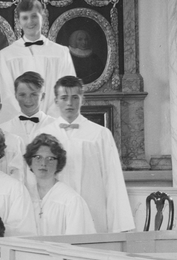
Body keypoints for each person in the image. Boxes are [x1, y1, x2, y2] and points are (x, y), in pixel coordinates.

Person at [48, 76, 135, 233]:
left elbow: (113, 180)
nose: (69, 103)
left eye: (75, 97)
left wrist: (119, 225)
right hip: (56, 212)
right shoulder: (45, 134)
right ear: (55, 101)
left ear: (83, 100)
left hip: (92, 210)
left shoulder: (100, 134)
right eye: (64, 97)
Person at [0, 0, 75, 116]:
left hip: (52, 122)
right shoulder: (6, 55)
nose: (30, 22)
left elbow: (67, 89)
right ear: (18, 21)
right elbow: (6, 93)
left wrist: (47, 120)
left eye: (34, 16)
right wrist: (23, 116)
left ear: (43, 16)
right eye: (25, 18)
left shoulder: (60, 52)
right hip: (19, 123)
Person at [25, 133, 95, 235]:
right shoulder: (24, 195)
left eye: (50, 159)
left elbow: (77, 243)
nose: (43, 163)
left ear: (59, 163)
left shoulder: (71, 201)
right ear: (30, 161)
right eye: (38, 157)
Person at [0, 71, 58, 145]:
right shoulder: (3, 129)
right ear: (16, 96)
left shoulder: (55, 126)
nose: (28, 100)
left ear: (42, 96)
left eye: (33, 94)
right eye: (22, 95)